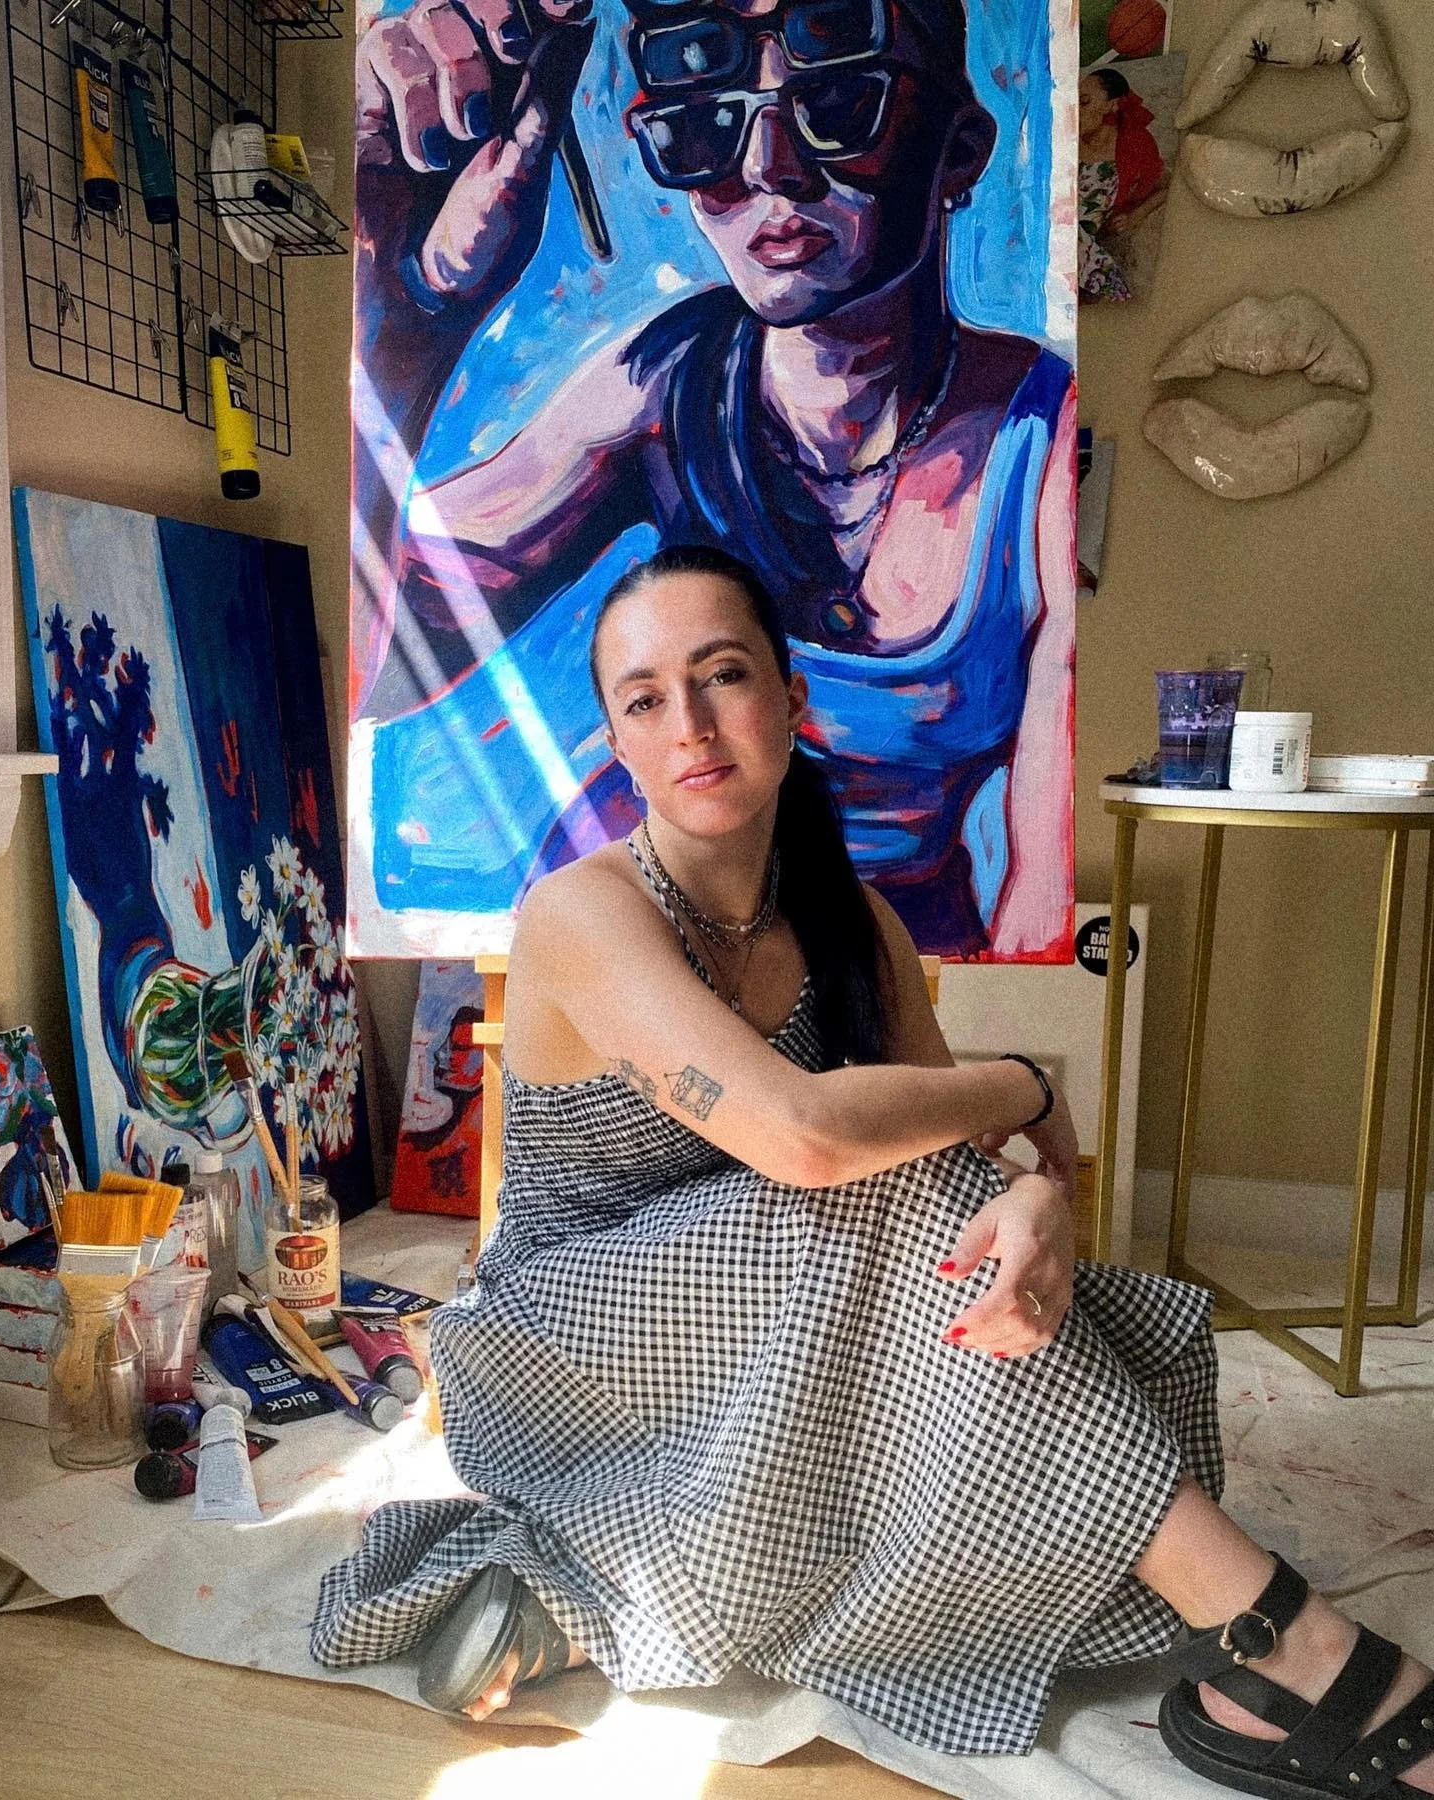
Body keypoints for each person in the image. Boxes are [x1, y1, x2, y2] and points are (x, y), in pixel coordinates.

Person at [314, 550, 1434, 1795]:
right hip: (569, 1353)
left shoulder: (856, 923)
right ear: (617, 745)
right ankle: (1284, 1639)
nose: (690, 725)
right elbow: (805, 1137)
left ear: (792, 699)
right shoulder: (584, 913)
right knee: (860, 1189)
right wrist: (1025, 1083)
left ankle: (610, 1585)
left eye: (722, 676)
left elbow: (955, 1166)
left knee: (1039, 1301)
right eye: (644, 699)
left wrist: (1037, 1201)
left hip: (773, 1337)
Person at [352, 0, 1075, 956]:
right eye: (702, 125)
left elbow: (1039, 910)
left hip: (890, 968)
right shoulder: (661, 386)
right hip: (649, 951)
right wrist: (403, 316)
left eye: (839, 104)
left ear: (960, 152)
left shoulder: (1041, 443)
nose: (769, 169)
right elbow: (380, 657)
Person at [1078, 67, 1170, 302]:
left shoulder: (1134, 145)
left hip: (1076, 245)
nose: (1075, 110)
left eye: (1084, 102)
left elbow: (1166, 186)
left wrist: (1136, 214)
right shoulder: (1063, 139)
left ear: (1113, 105)